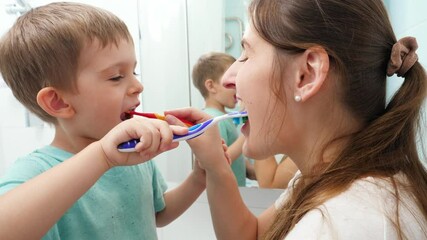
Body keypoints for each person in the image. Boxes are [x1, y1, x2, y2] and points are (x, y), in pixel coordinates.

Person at [166, 0, 427, 239]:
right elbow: (253, 235)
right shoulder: (327, 175)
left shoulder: (342, 227)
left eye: (246, 54)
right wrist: (215, 166)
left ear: (306, 75)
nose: (229, 78)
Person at [0, 2, 211, 239]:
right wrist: (101, 157)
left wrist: (197, 180)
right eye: (116, 76)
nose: (138, 86)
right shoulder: (36, 171)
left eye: (135, 72)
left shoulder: (135, 154)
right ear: (59, 102)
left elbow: (158, 214)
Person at [192, 52, 247, 186]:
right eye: (232, 81)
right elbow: (219, 160)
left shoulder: (224, 117)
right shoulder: (212, 120)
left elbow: (237, 161)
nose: (238, 86)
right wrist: (247, 135)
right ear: (211, 86)